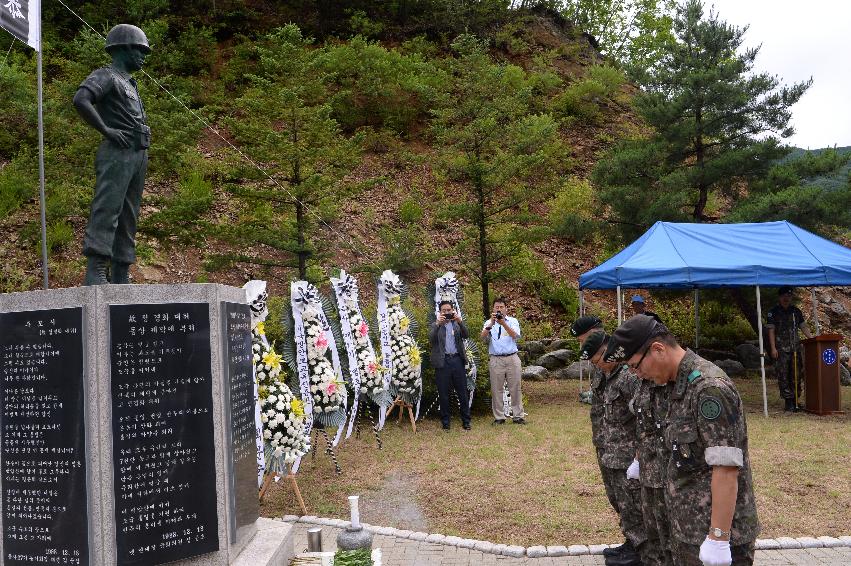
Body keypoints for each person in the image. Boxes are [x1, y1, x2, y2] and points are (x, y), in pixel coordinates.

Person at [605, 315, 760, 566]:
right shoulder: (669, 383)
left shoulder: (709, 388)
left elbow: (726, 468)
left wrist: (718, 538)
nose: (636, 374)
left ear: (658, 349)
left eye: (635, 365)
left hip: (714, 533)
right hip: (684, 526)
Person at [73, 24, 152, 285]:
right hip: (117, 151)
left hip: (138, 153)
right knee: (108, 209)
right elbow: (81, 99)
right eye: (140, 50)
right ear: (124, 48)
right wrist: (106, 130)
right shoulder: (107, 75)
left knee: (130, 215)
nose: (143, 56)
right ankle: (96, 270)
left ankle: (121, 272)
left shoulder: (130, 82)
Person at [579, 332, 649, 566]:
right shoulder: (603, 373)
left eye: (599, 358)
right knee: (619, 501)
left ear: (609, 349)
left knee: (633, 503)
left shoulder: (630, 375)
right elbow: (599, 411)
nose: (598, 364)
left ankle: (642, 551)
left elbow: (643, 417)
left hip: (628, 454)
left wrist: (639, 457)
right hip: (608, 450)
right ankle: (631, 542)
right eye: (594, 362)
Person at [766, 287, 812, 412]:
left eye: (789, 296)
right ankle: (788, 402)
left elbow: (803, 326)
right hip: (781, 349)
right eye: (784, 296)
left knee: (796, 375)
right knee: (783, 375)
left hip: (795, 349)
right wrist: (773, 348)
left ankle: (796, 400)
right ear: (780, 297)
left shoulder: (795, 311)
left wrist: (813, 339)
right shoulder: (773, 312)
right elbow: (771, 330)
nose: (786, 298)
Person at [428, 300, 471, 431]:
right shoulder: (436, 325)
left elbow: (466, 335)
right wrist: (437, 324)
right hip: (443, 362)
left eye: (449, 310)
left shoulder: (456, 324)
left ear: (453, 310)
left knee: (462, 392)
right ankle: (446, 421)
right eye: (444, 311)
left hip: (457, 360)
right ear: (440, 312)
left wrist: (460, 321)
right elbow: (430, 339)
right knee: (443, 393)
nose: (447, 313)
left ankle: (466, 420)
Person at [481, 298, 524, 424]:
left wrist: (503, 323)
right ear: (493, 309)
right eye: (496, 307)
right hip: (496, 358)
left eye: (501, 307)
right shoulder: (488, 323)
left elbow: (515, 336)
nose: (499, 309)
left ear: (506, 309)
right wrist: (491, 324)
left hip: (512, 357)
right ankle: (499, 417)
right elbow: (482, 338)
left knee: (515, 387)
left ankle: (518, 416)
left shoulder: (513, 321)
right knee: (496, 389)